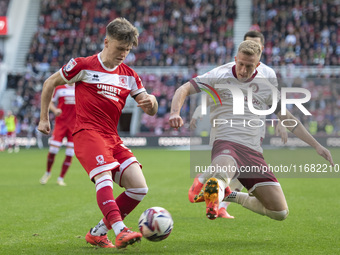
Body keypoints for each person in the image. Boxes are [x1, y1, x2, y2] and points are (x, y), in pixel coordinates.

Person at [169, 40, 334, 221]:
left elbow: (289, 119)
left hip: (253, 152)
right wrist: (175, 113)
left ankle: (228, 194)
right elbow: (183, 88)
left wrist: (317, 146)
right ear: (235, 59)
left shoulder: (265, 86)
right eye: (240, 64)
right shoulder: (219, 74)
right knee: (222, 173)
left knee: (279, 212)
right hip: (226, 142)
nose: (243, 70)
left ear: (258, 65)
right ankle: (215, 192)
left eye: (249, 66)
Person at [38, 18, 158, 249]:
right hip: (87, 133)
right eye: (119, 48)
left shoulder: (130, 75)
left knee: (139, 187)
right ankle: (120, 230)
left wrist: (151, 100)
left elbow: (150, 110)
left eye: (127, 50)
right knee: (104, 178)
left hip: (112, 138)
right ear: (106, 42)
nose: (124, 54)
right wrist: (44, 118)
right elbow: (50, 82)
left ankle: (98, 232)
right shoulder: (83, 65)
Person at [189, 30, 288, 219]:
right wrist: (198, 111)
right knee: (229, 166)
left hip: (254, 130)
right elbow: (211, 93)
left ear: (261, 49)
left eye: (256, 44)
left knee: (241, 170)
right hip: (227, 128)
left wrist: (280, 122)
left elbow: (275, 102)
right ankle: (214, 192)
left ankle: (220, 196)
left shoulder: (268, 73)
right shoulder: (228, 70)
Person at [39, 83, 76, 186]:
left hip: (74, 126)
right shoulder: (60, 88)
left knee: (70, 153)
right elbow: (50, 103)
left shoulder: (79, 88)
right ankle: (47, 173)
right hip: (61, 124)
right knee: (53, 150)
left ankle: (61, 178)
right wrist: (55, 110)